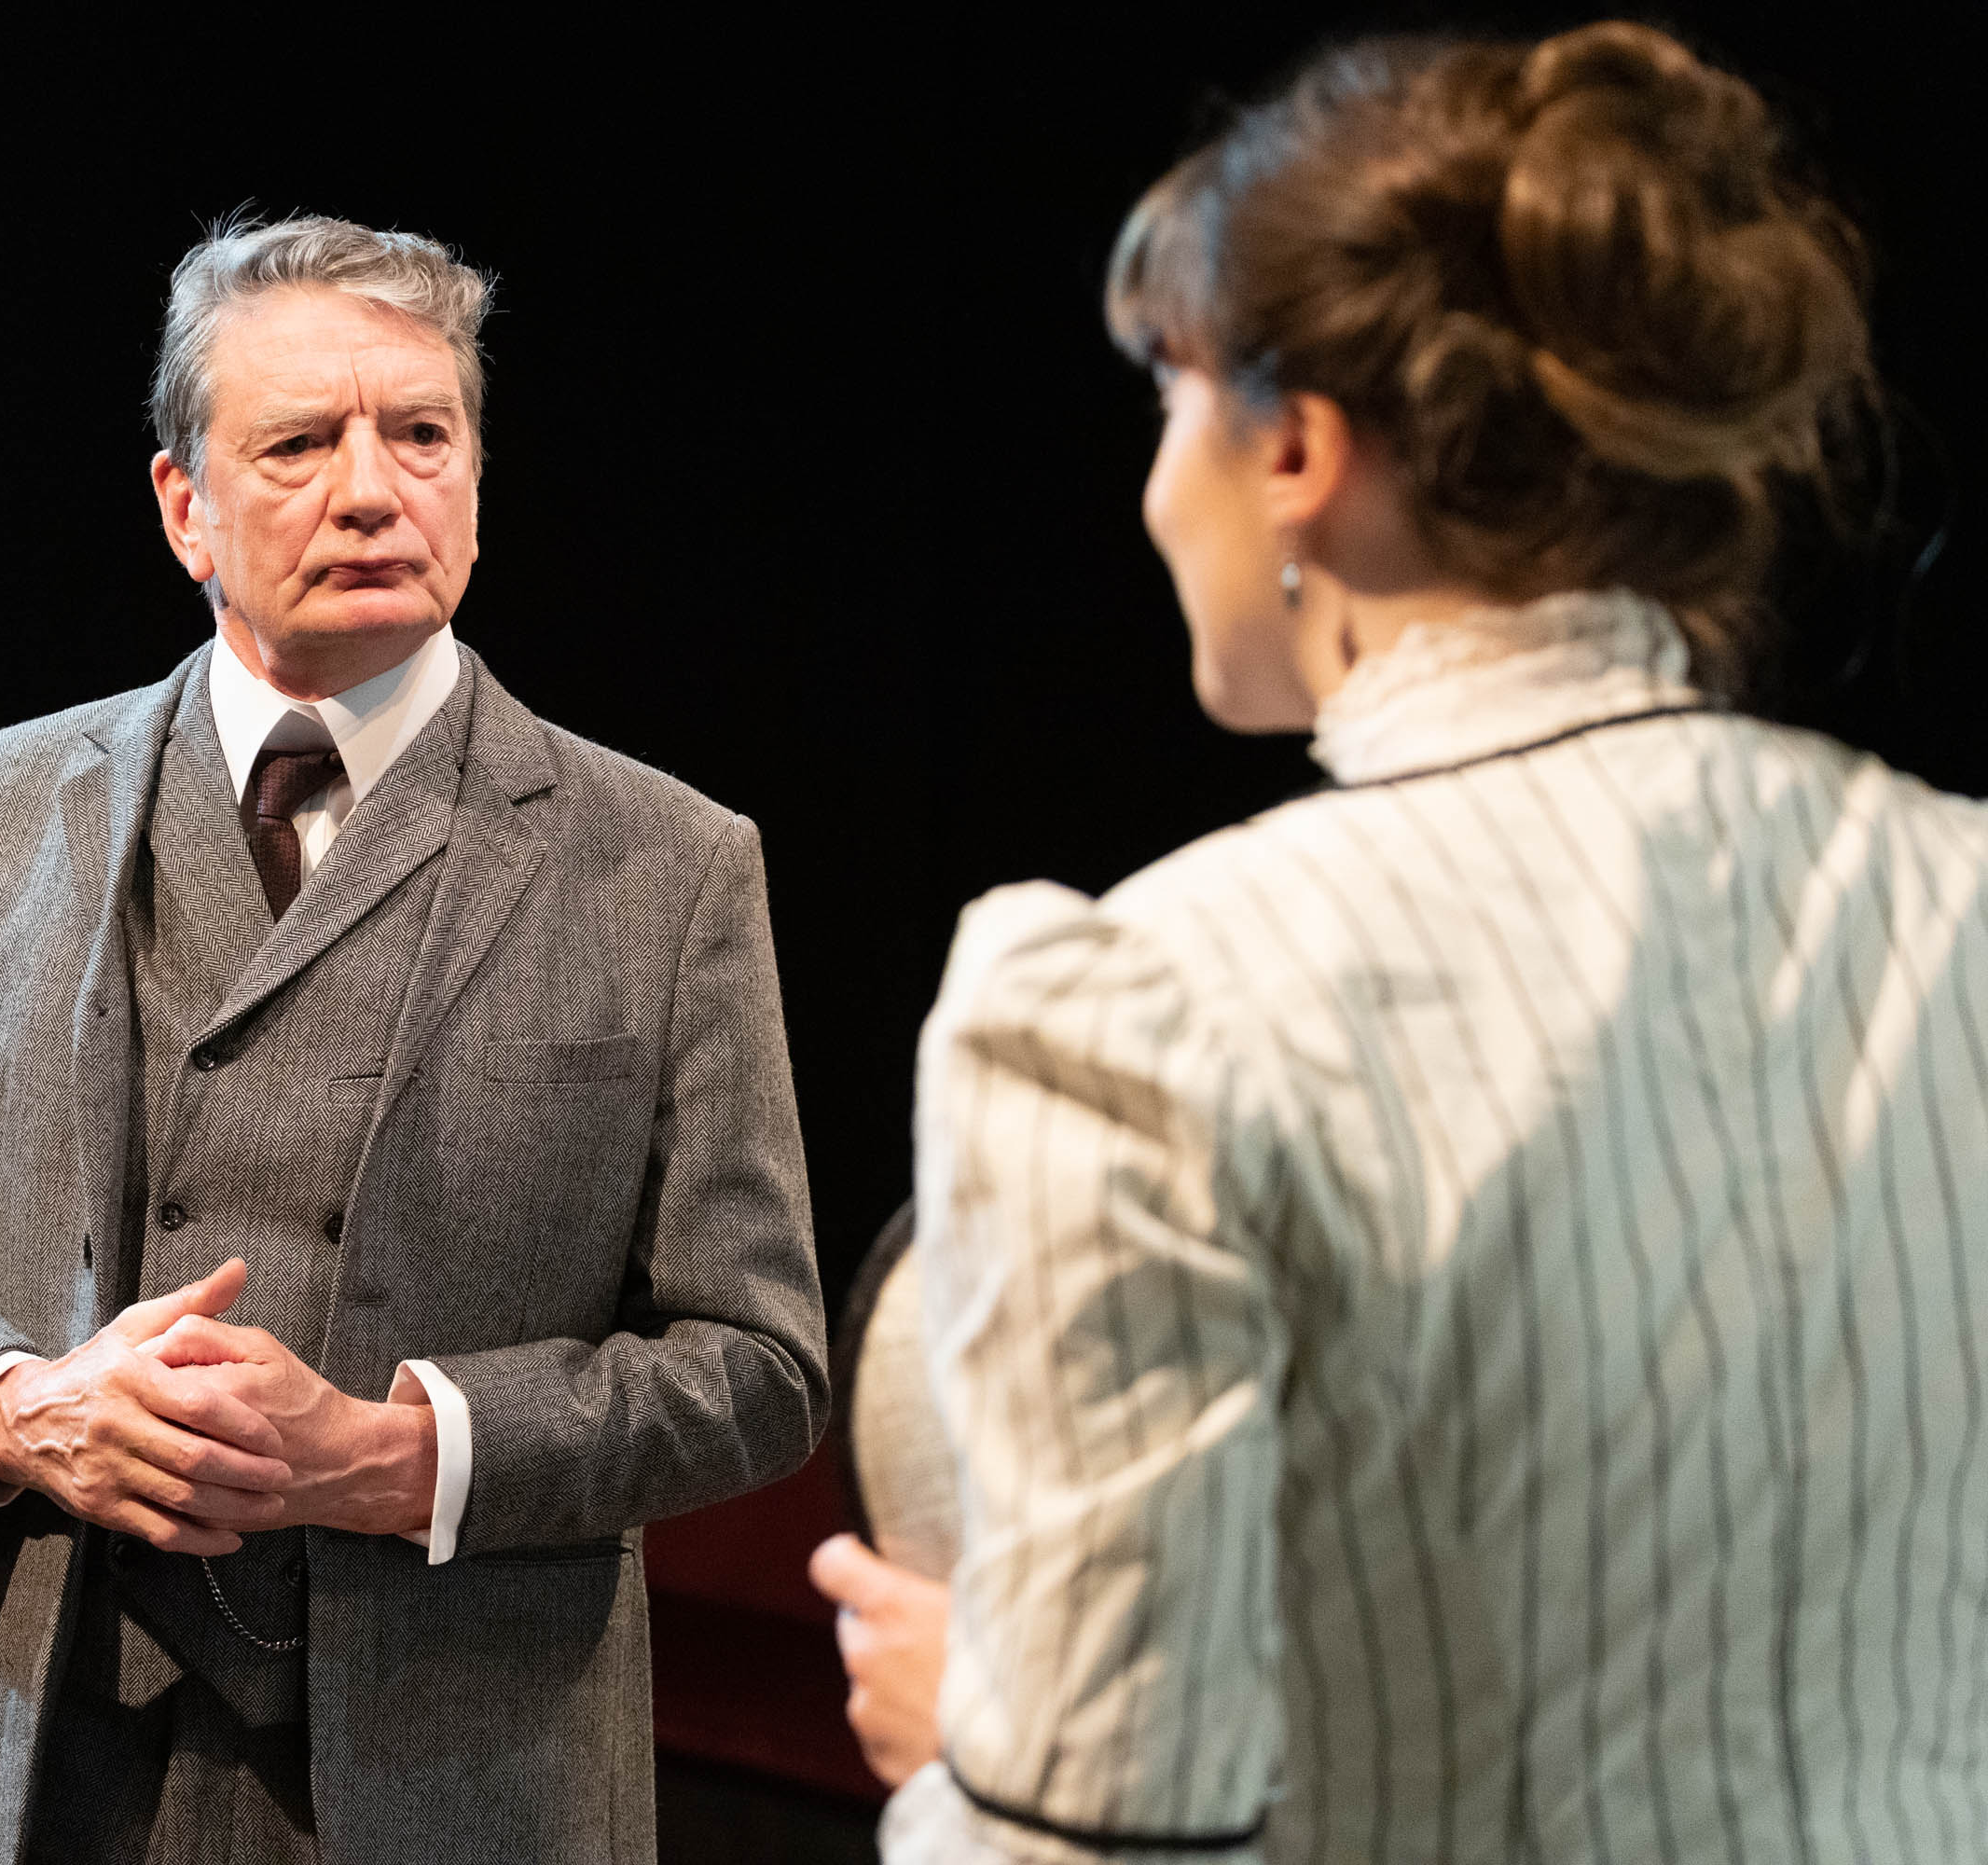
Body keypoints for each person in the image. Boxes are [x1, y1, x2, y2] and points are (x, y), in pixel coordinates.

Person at [825, 21, 1988, 1862]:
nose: (1154, 488)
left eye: (1169, 399)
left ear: (1297, 445)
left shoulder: (1138, 1012)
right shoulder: (1963, 888)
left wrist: (983, 1748)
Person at [0, 215, 828, 1865]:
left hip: (452, 1779)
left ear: (477, 480)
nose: (373, 490)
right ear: (184, 503)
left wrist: (398, 1458)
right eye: (301, 444)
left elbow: (759, 1367)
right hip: (13, 1759)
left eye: (423, 435)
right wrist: (22, 1407)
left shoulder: (668, 865)